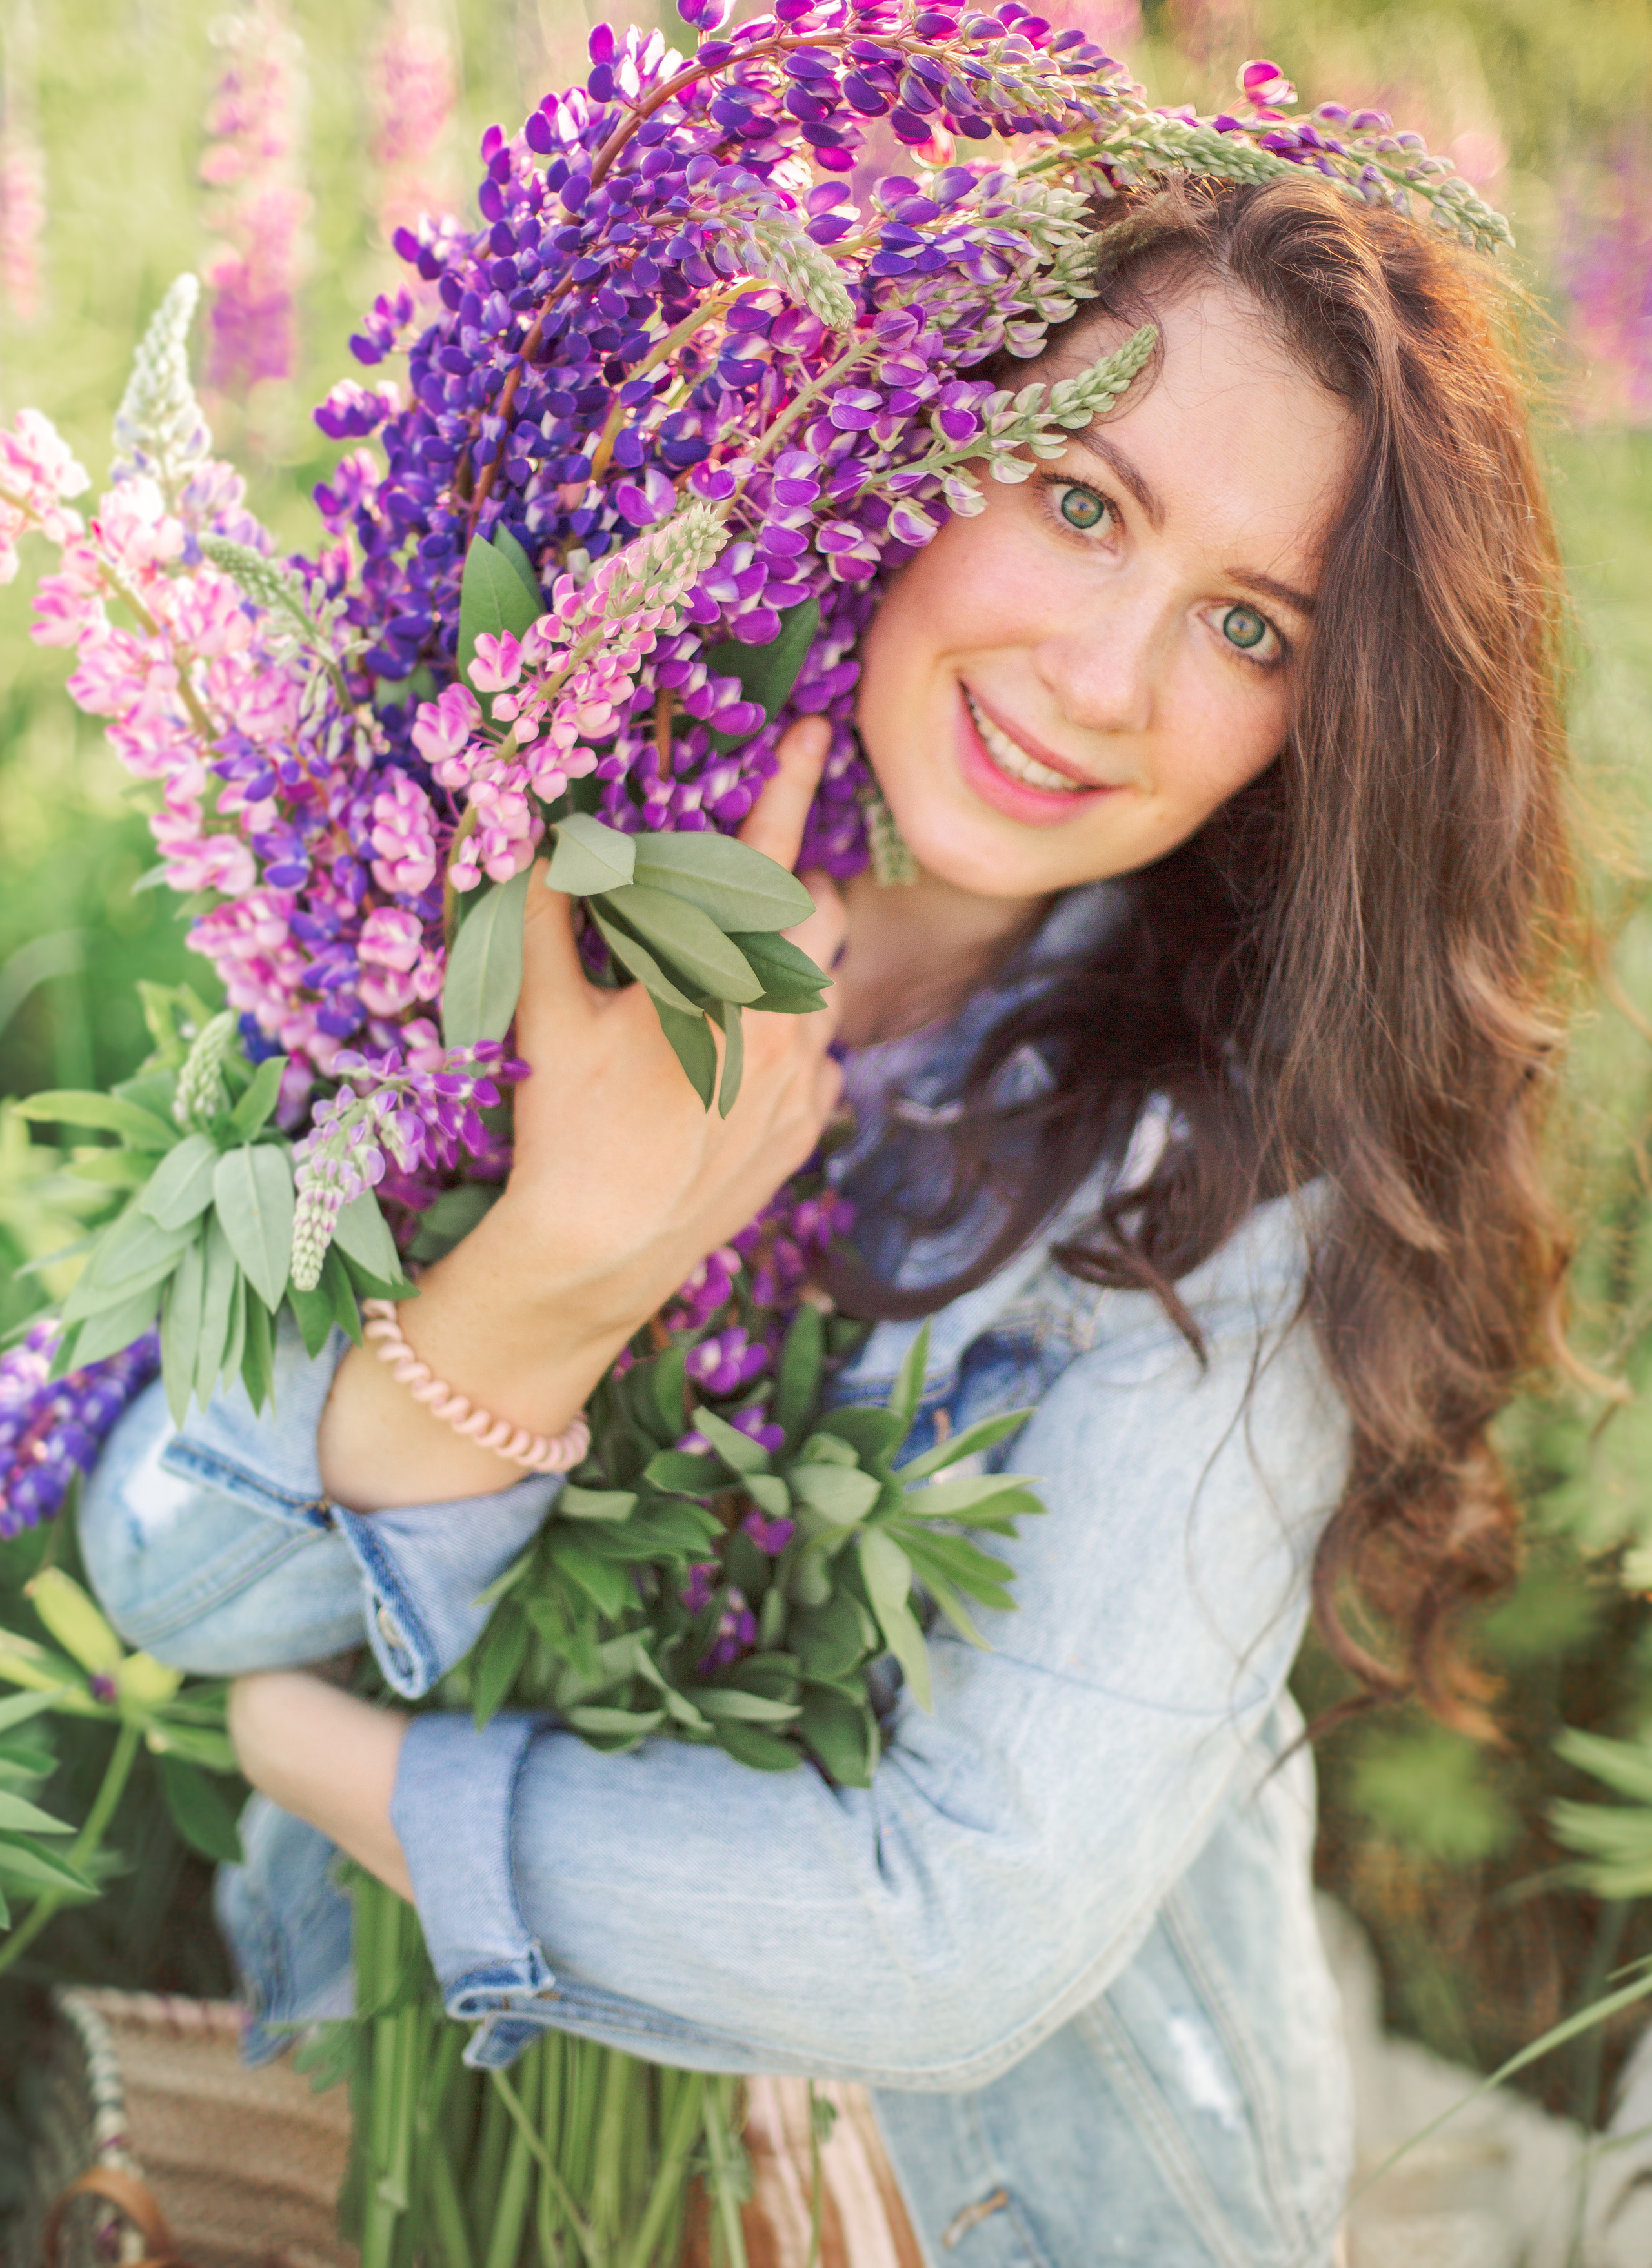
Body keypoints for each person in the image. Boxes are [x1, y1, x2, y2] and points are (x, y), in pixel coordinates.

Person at [81, 174, 1579, 2267]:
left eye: (1253, 628)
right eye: (1077, 500)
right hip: (393, 2167)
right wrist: (553, 1273)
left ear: (1331, 723)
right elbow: (170, 1563)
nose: (1106, 676)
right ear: (901, 434)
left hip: (1001, 2206)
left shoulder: (1249, 1177)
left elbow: (954, 1929)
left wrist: (349, 1764)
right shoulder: (504, 835)